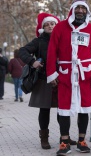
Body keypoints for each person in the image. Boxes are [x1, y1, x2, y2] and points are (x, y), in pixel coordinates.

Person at [46, 0, 91, 155]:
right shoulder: (60, 27)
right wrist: (52, 73)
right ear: (72, 9)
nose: (80, 11)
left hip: (85, 75)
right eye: (77, 8)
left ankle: (82, 140)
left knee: (84, 108)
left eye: (83, 8)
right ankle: (64, 142)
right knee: (63, 108)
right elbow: (51, 52)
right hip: (65, 75)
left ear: (87, 11)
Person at [19, 13, 76, 150]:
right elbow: (23, 51)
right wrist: (32, 62)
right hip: (44, 80)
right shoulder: (39, 41)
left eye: (53, 24)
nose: (50, 26)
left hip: (62, 79)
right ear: (43, 27)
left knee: (62, 110)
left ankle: (65, 136)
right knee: (44, 111)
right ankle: (44, 138)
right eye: (47, 24)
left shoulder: (63, 38)